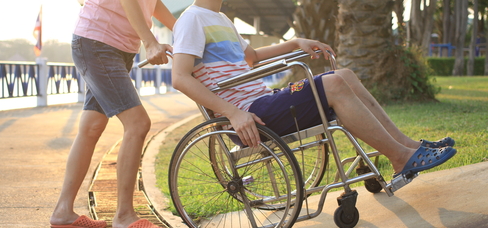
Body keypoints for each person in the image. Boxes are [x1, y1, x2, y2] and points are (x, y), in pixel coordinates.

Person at [171, 0, 456, 180]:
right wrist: (233, 113)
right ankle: (400, 158)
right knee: (332, 82)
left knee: (343, 74)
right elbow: (181, 78)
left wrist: (296, 42)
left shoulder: (221, 19)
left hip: (263, 101)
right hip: (249, 115)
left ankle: (408, 147)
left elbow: (253, 56)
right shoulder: (191, 20)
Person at [50, 0, 175, 228]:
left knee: (92, 127)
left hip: (119, 47)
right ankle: (124, 216)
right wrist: (150, 41)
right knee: (138, 123)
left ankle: (63, 211)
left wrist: (182, 30)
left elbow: (152, 3)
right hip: (98, 42)